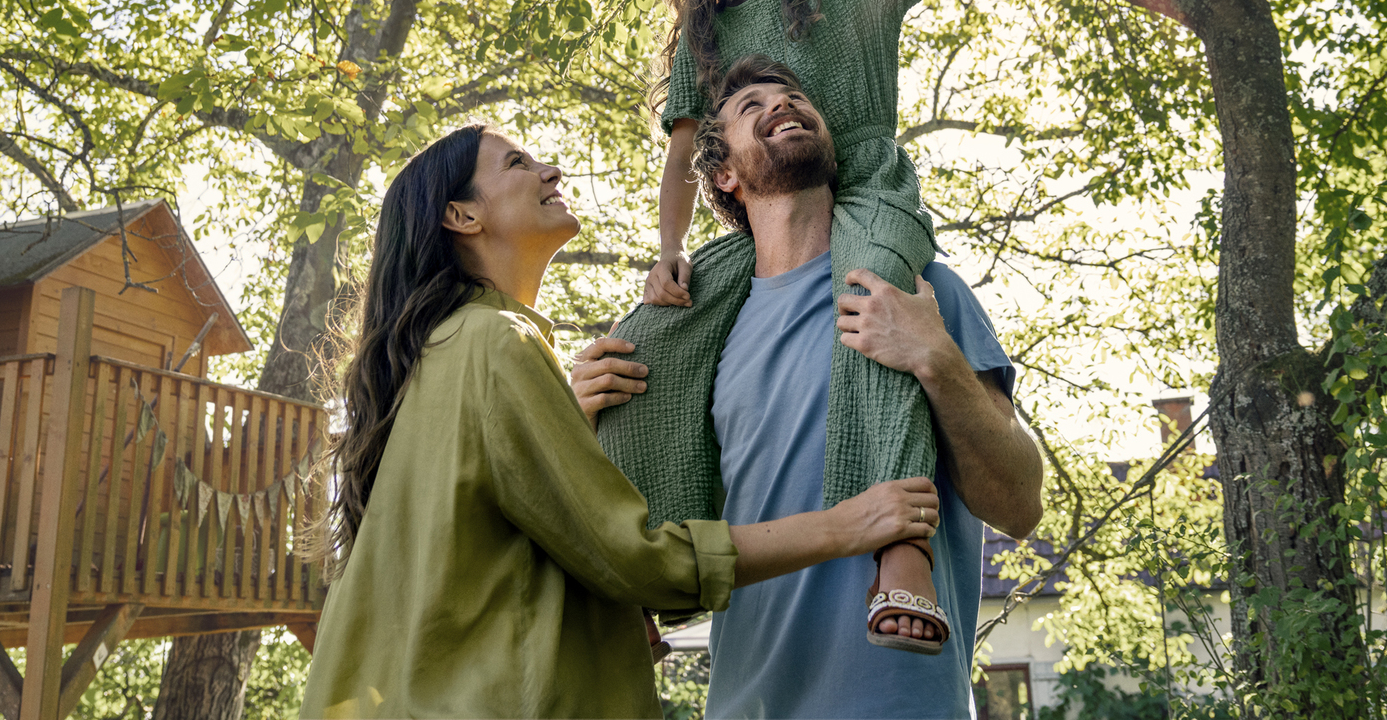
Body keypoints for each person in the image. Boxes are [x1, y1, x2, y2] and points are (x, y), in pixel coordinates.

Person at [299, 123, 941, 720]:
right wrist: (850, 523)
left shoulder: (440, 353)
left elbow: (488, 556)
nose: (551, 171)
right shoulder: (495, 344)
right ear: (462, 216)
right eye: (517, 163)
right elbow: (635, 558)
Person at [592, 0, 1028, 651]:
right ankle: (642, 571)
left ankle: (902, 550)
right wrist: (668, 251)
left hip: (864, 192)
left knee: (872, 308)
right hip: (767, 220)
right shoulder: (705, 39)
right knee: (649, 339)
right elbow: (687, 147)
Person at [575, 61, 1044, 716]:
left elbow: (1020, 503)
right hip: (746, 700)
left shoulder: (922, 290)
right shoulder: (700, 337)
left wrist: (933, 355)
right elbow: (638, 522)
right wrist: (580, 410)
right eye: (752, 105)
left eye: (795, 95)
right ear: (725, 176)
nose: (783, 103)